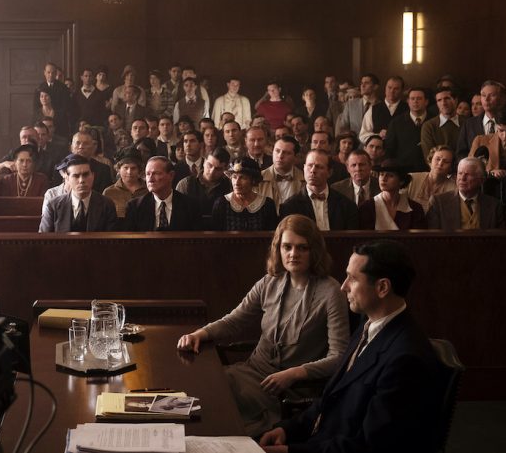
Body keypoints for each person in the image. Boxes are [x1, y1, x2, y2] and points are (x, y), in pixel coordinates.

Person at [259, 239, 440, 453]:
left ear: (382, 287)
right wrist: (288, 430)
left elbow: (368, 446)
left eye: (352, 279)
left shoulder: (406, 360)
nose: (343, 286)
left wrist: (290, 451)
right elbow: (331, 398)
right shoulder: (368, 323)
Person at [177, 215, 349, 436]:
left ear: (313, 250)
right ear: (278, 248)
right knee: (200, 390)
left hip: (287, 388)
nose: (293, 254)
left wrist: (295, 373)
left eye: (302, 248)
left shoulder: (331, 292)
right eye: (287, 247)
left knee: (219, 414)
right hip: (251, 371)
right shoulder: (270, 281)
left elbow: (340, 356)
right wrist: (200, 333)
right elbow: (235, 320)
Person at [280, 149, 360, 230]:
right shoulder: (290, 206)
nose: (313, 170)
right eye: (310, 165)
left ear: (329, 172)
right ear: (304, 168)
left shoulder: (346, 205)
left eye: (319, 167)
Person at [39, 155, 118, 232]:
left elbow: (111, 241)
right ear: (67, 178)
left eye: (86, 175)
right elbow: (44, 240)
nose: (81, 180)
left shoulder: (106, 205)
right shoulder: (53, 205)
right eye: (76, 176)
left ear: (93, 176)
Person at [125, 156, 203, 231]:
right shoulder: (135, 207)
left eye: (156, 173)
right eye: (148, 174)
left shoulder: (191, 206)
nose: (150, 179)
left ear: (171, 175)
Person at [426, 157, 505, 230]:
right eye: (460, 173)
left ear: (481, 180)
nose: (462, 178)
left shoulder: (495, 206)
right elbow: (432, 239)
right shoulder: (438, 203)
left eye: (468, 175)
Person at [211, 157, 280, 231]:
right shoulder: (221, 204)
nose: (236, 183)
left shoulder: (267, 205)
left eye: (242, 178)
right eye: (234, 177)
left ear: (253, 180)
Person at [358, 160, 427, 230]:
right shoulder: (367, 207)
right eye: (381, 174)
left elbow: (418, 238)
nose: (384, 179)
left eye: (390, 175)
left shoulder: (415, 209)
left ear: (401, 181)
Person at [177, 147, 232, 228]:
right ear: (204, 162)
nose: (212, 171)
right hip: (190, 233)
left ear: (225, 169)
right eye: (210, 165)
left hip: (220, 233)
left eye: (218, 169)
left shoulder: (230, 186)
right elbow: (177, 214)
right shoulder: (185, 184)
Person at [456, 80, 506, 160]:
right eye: (483, 95)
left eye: (492, 95)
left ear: (502, 99)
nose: (486, 99)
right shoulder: (469, 124)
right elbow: (461, 153)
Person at [103, 148, 149, 226]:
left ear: (139, 170)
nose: (129, 172)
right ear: (118, 169)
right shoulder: (109, 192)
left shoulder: (149, 190)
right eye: (126, 168)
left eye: (133, 168)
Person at [406, 146, 457, 212]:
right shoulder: (411, 178)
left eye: (446, 162)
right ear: (430, 161)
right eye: (438, 159)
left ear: (451, 167)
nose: (440, 163)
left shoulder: (453, 188)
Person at [258, 136, 304, 207]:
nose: (280, 156)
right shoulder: (259, 178)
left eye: (287, 153)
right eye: (277, 151)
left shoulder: (304, 179)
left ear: (296, 157)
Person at [360, 76, 407, 144]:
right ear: (385, 88)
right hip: (379, 152)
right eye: (389, 87)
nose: (392, 91)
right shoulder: (373, 109)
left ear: (401, 90)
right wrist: (378, 136)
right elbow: (363, 135)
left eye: (396, 89)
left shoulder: (408, 109)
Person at [421, 87, 462, 164]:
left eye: (447, 98)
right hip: (438, 170)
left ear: (455, 100)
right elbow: (429, 157)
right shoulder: (428, 126)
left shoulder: (467, 123)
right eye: (439, 100)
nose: (443, 103)